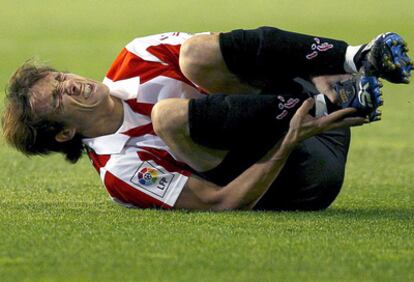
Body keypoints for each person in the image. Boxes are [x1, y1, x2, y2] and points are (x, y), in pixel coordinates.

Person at [2, 27, 412, 211]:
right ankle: (326, 102)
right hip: (302, 173)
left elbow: (255, 57)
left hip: (320, 106)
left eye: (59, 77)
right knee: (168, 117)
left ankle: (355, 58)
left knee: (195, 54)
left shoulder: (137, 55)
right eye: (57, 98)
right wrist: (288, 141)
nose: (70, 84)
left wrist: (327, 72)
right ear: (64, 133)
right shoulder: (121, 169)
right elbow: (222, 201)